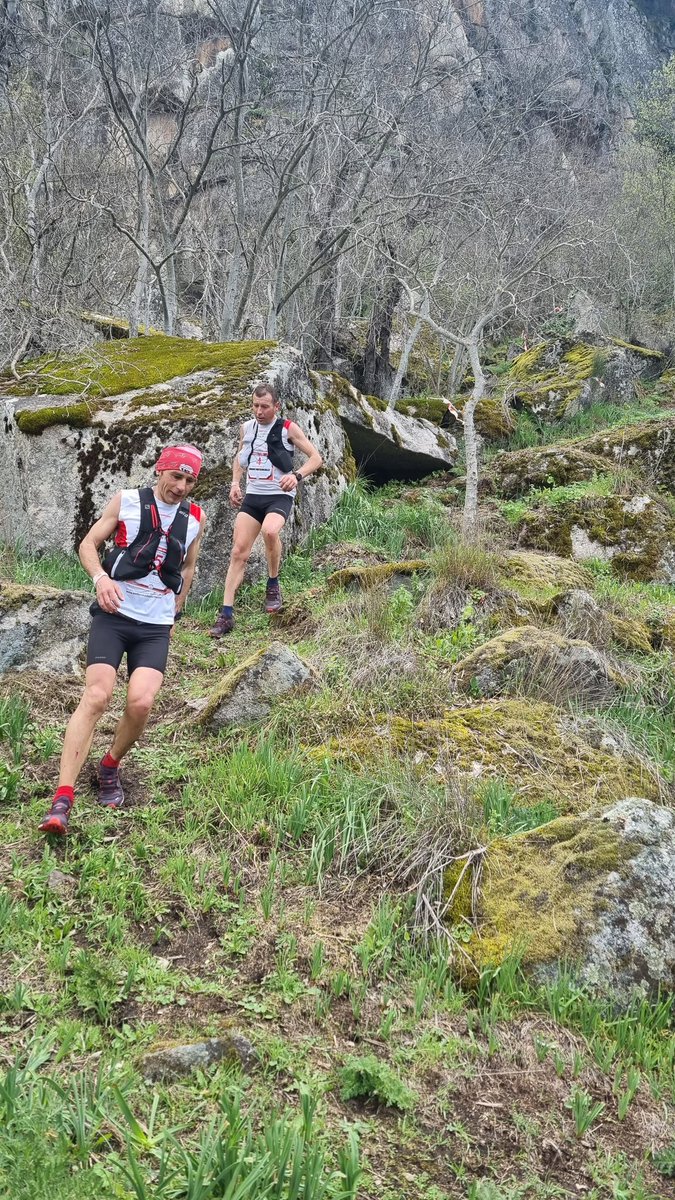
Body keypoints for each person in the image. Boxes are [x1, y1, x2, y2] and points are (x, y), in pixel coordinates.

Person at [38, 444, 206, 835]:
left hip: (155, 626)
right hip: (114, 615)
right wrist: (101, 580)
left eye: (189, 480)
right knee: (97, 696)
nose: (181, 487)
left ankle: (110, 765)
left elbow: (189, 564)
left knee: (142, 702)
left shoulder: (195, 517)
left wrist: (175, 612)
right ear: (160, 472)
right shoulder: (127, 501)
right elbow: (88, 544)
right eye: (175, 476)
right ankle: (62, 799)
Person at [208, 384, 323, 637]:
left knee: (270, 532)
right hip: (254, 496)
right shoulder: (247, 428)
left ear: (276, 406)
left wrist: (297, 476)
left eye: (265, 407)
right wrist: (235, 483)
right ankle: (226, 614)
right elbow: (240, 457)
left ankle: (273, 583)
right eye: (255, 406)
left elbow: (316, 458)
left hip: (279, 495)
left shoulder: (287, 428)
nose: (259, 411)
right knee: (238, 551)